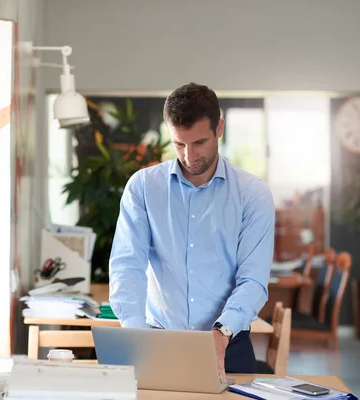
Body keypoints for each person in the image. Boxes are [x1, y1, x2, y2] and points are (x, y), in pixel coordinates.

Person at [108, 82, 275, 381]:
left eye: (199, 143)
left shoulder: (253, 194)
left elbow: (253, 280)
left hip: (229, 341)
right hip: (159, 342)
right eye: (179, 144)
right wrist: (136, 335)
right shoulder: (144, 187)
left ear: (219, 127)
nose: (189, 156)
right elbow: (127, 266)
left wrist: (221, 333)